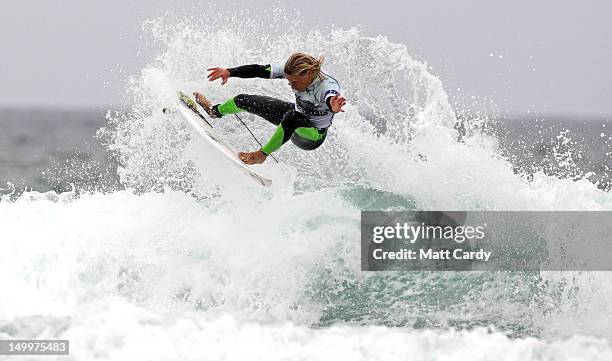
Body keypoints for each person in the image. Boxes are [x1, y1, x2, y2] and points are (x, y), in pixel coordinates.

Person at [193, 52, 346, 165]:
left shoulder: (327, 86)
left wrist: (332, 105)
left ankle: (261, 155)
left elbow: (330, 97)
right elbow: (258, 70)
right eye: (289, 80)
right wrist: (230, 72)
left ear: (310, 73)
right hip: (292, 120)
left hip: (311, 136)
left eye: (294, 82)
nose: (290, 85)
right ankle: (214, 111)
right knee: (243, 100)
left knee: (294, 117)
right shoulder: (291, 71)